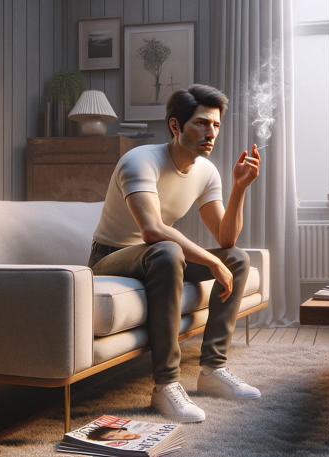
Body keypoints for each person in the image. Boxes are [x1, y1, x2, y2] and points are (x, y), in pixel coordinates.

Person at [88, 84, 262, 423]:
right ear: (175, 125)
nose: (211, 133)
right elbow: (152, 230)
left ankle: (213, 370)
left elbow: (226, 238)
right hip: (111, 259)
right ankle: (165, 386)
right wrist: (210, 261)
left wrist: (240, 187)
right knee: (168, 251)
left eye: (216, 125)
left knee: (237, 258)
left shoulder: (206, 171)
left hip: (157, 257)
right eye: (201, 123)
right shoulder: (140, 161)